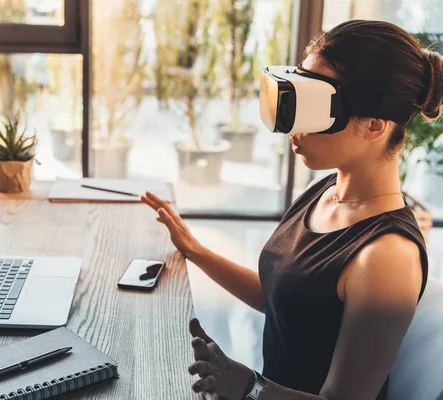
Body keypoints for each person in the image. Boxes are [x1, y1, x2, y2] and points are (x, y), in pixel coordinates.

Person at [142, 20, 441, 400]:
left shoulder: (386, 257)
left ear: (374, 126)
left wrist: (248, 387)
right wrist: (196, 251)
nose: (293, 127)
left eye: (315, 108)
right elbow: (284, 300)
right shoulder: (327, 191)